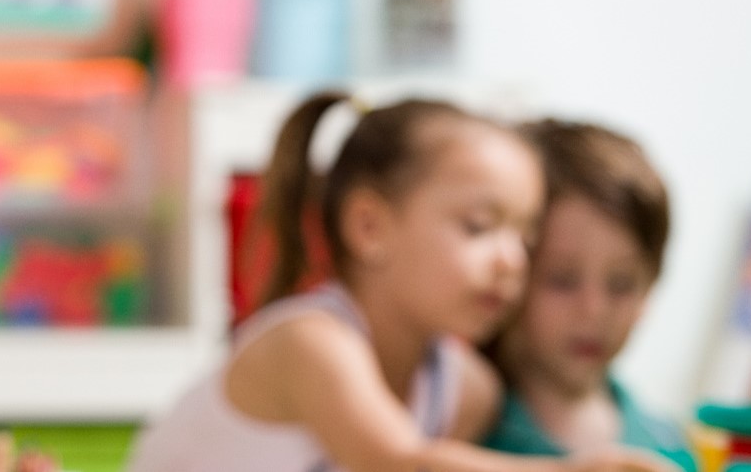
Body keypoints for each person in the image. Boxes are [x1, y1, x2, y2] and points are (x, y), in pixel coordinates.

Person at [127, 93, 672, 472]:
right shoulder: (312, 344)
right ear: (370, 228)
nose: (512, 262)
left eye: (526, 240)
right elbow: (395, 464)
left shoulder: (466, 391)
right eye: (479, 227)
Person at [481, 120, 697, 472]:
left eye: (622, 284)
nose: (594, 311)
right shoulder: (461, 421)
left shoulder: (668, 447)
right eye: (563, 280)